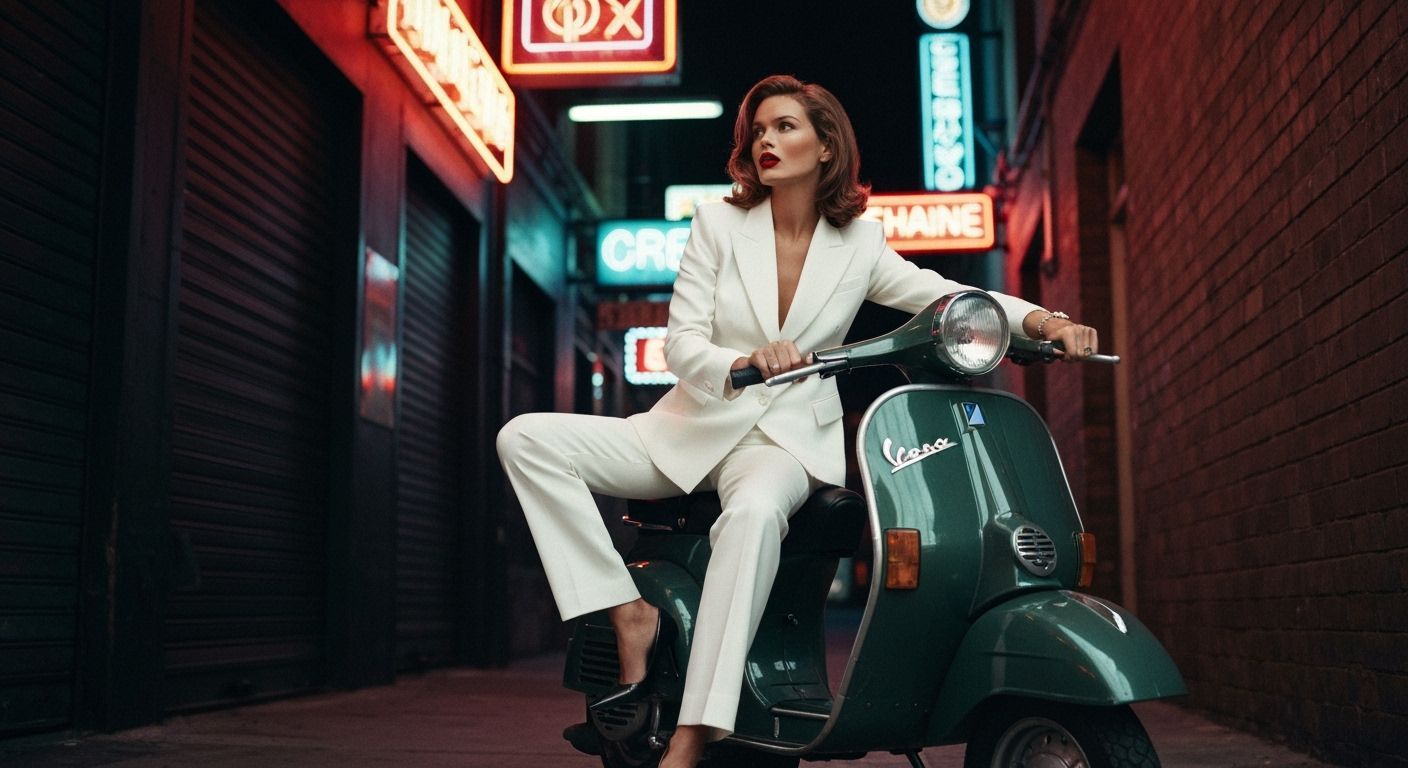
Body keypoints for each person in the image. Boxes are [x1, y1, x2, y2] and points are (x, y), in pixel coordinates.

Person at [496, 74, 1099, 768]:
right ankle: (623, 609)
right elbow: (681, 344)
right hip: (691, 426)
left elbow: (944, 296)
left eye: (785, 127)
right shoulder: (717, 224)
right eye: (758, 131)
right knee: (526, 439)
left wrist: (1043, 320)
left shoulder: (860, 244)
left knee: (752, 516)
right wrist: (743, 360)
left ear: (825, 146)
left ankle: (696, 730)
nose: (766, 141)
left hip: (778, 446)